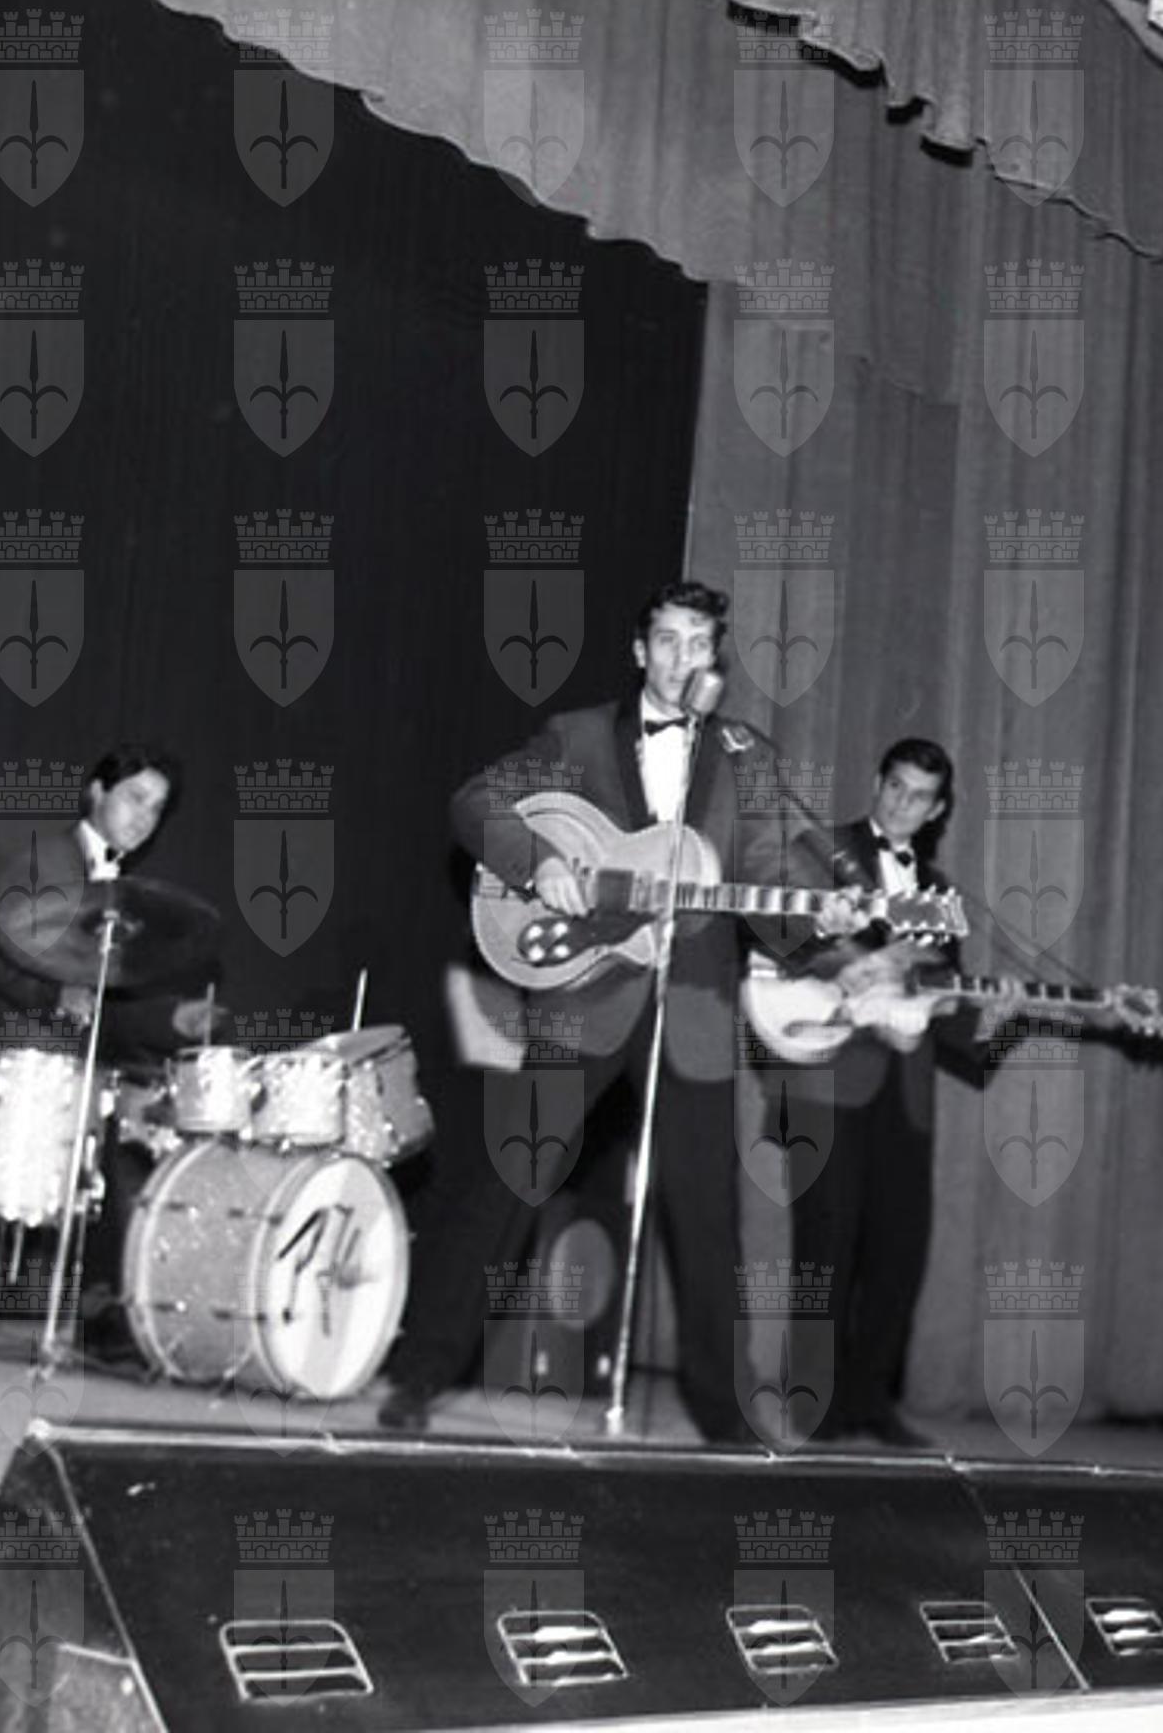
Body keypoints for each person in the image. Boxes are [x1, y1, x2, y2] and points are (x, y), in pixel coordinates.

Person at [374, 580, 852, 1442]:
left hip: (694, 1010)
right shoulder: (580, 736)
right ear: (639, 651)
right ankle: (419, 1375)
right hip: (585, 996)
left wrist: (820, 919)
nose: (681, 659)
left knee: (710, 1218)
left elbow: (770, 880)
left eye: (698, 643)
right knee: (507, 1185)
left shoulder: (747, 756)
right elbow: (474, 803)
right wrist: (538, 862)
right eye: (666, 640)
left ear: (717, 656)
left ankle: (728, 1417)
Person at [762, 738, 1000, 1447]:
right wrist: (858, 967)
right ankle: (814, 1403)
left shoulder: (941, 895)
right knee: (825, 1244)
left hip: (906, 1088)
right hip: (826, 1073)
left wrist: (990, 1020)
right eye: (895, 786)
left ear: (938, 810)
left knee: (900, 1248)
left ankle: (870, 1399)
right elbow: (778, 942)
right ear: (875, 782)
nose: (902, 803)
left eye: (919, 796)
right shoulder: (817, 851)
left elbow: (939, 1001)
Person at [0, 743, 226, 1355]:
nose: (145, 817)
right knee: (112, 1137)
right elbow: (5, 959)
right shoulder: (49, 857)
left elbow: (107, 1009)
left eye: (157, 808)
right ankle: (94, 1305)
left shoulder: (120, 890)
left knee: (144, 1117)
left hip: (86, 1058)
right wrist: (57, 994)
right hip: (31, 1049)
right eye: (135, 798)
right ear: (96, 791)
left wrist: (172, 1019)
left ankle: (112, 1306)